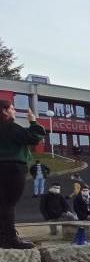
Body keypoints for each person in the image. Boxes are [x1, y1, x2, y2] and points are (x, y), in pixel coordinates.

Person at [1, 103, 45, 249]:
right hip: (13, 168)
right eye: (12, 108)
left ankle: (3, 236)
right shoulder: (11, 127)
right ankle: (11, 239)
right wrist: (33, 121)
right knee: (9, 203)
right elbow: (34, 138)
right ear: (4, 111)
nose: (14, 111)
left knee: (2, 203)